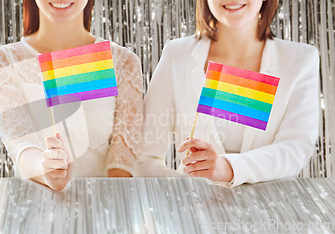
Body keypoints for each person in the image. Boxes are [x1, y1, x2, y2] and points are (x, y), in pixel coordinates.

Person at [135, 0, 319, 187]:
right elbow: (144, 159)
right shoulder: (177, 55)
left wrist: (228, 168)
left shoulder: (300, 60)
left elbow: (294, 148)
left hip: (271, 211)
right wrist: (189, 187)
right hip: (194, 210)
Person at [0, 0, 143, 190]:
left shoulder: (123, 62)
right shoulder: (3, 61)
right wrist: (47, 171)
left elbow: (121, 166)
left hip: (104, 210)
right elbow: (21, 145)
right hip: (35, 208)